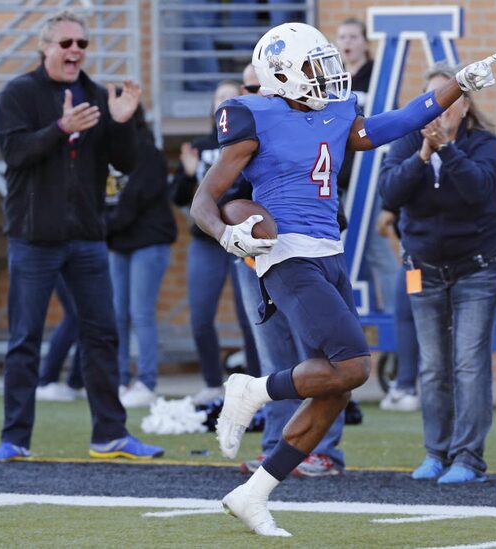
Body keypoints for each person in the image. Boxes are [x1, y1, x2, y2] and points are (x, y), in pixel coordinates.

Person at [189, 22, 496, 536]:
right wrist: (226, 236)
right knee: (355, 366)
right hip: (286, 255)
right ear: (284, 74)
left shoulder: (336, 114)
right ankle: (253, 388)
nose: (328, 75)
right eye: (315, 67)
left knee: (335, 387)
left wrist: (459, 83)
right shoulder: (255, 115)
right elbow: (205, 198)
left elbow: (398, 120)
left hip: (330, 254)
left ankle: (254, 493)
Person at [0, 10, 163, 462]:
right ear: (45, 48)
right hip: (33, 238)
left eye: (82, 43)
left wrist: (122, 121)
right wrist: (61, 129)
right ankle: (14, 440)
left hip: (86, 238)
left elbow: (126, 162)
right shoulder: (19, 93)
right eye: (66, 44)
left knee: (102, 335)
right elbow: (16, 152)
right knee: (25, 339)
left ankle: (110, 434)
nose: (75, 51)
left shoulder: (97, 94)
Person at [379, 62, 496, 483]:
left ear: (464, 104)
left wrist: (447, 150)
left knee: (469, 361)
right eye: (431, 100)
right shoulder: (405, 142)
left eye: (448, 99)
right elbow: (391, 192)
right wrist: (423, 154)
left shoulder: (485, 144)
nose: (439, 108)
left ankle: (468, 459)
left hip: (479, 265)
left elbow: (479, 191)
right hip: (425, 267)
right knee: (433, 365)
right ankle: (436, 453)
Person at [234, 68, 347, 477]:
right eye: (249, 88)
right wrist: (235, 230)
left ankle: (323, 450)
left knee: (327, 359)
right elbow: (225, 197)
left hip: (309, 254)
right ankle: (275, 446)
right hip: (257, 256)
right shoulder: (246, 125)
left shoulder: (316, 121)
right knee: (274, 356)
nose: (256, 95)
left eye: (259, 87)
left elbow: (330, 176)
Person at [170, 80, 261, 405]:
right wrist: (190, 173)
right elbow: (179, 196)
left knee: (251, 316)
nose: (224, 101)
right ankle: (211, 383)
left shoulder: (251, 142)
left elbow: (241, 192)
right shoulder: (199, 144)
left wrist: (203, 177)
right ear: (212, 106)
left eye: (231, 96)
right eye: (218, 96)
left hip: (242, 242)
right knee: (200, 315)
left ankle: (254, 386)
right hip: (207, 241)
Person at [106, 104, 177, 407]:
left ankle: (146, 382)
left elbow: (135, 199)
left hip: (147, 242)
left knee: (140, 313)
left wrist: (101, 225)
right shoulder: (104, 151)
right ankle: (120, 380)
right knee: (116, 315)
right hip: (117, 243)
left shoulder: (146, 150)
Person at [335, 17, 399, 314]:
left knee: (374, 248)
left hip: (369, 176)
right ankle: (366, 313)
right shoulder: (332, 78)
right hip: (339, 176)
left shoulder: (377, 75)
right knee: (351, 252)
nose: (347, 42)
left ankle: (400, 316)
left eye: (352, 36)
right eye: (342, 37)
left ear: (365, 42)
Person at [376, 208, 420, 412]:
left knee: (408, 314)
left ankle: (406, 387)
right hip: (457, 259)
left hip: (418, 264)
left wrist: (390, 208)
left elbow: (398, 183)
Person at [35, 277, 84, 402]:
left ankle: (77, 382)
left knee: (83, 318)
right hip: (61, 263)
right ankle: (46, 380)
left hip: (80, 263)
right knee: (74, 317)